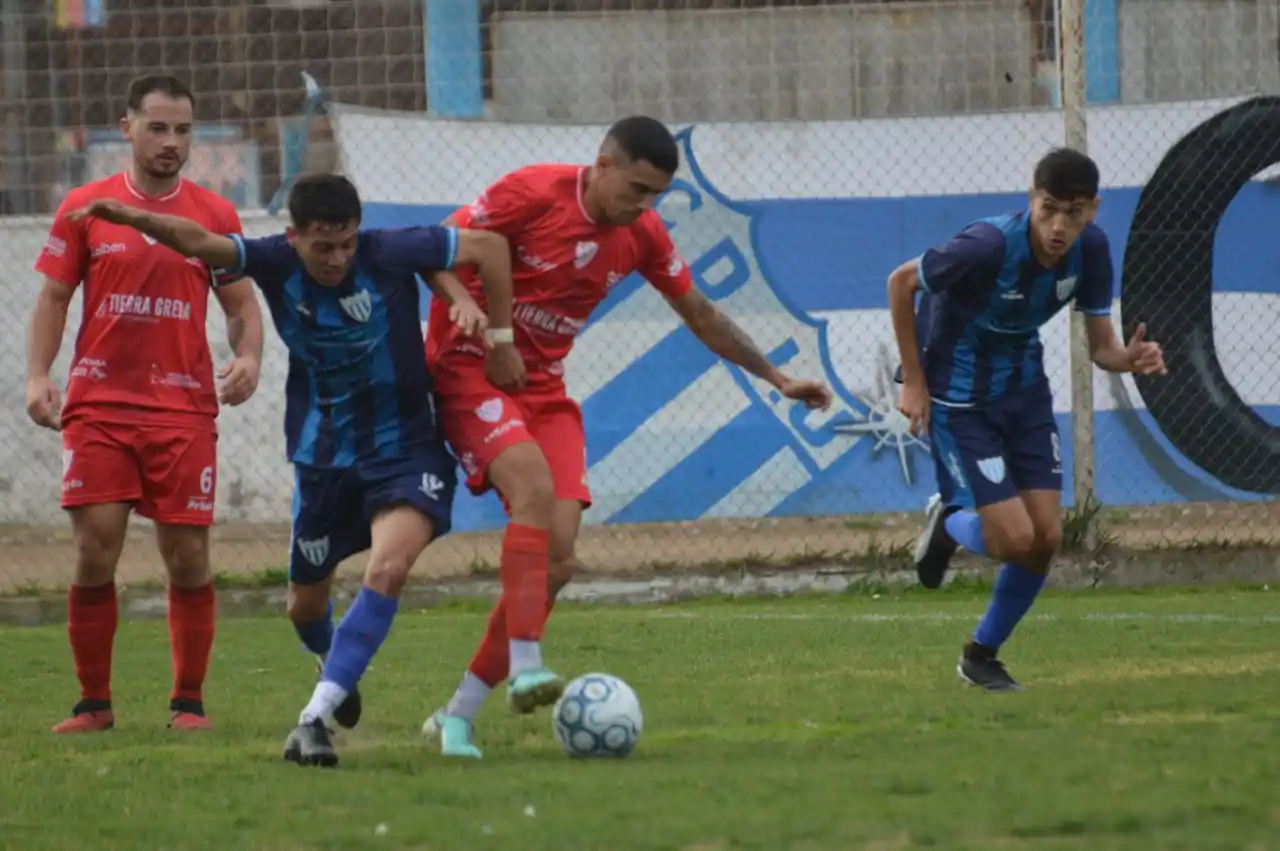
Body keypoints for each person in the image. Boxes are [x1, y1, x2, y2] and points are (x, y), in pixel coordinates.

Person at [67, 172, 515, 768]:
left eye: (347, 243)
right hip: (323, 459)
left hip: (406, 451)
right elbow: (199, 242)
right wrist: (130, 217)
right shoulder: (274, 260)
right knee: (304, 607)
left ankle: (313, 717)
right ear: (294, 236)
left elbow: (490, 247)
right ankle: (336, 669)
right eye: (323, 246)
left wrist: (495, 330)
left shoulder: (387, 249)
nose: (338, 258)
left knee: (389, 566)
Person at [420, 115, 835, 759]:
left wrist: (776, 377)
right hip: (472, 369)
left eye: (656, 196)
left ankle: (457, 715)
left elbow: (700, 314)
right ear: (604, 165)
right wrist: (474, 317)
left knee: (557, 560)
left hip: (544, 389)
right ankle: (527, 660)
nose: (643, 207)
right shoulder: (531, 192)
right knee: (530, 487)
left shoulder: (640, 234)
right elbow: (434, 249)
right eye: (637, 189)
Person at [27, 75, 265, 734]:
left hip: (182, 410)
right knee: (94, 550)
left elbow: (242, 303)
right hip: (100, 403)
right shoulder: (85, 205)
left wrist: (248, 357)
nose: (170, 142)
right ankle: (92, 703)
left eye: (183, 130)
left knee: (187, 557)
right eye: (157, 127)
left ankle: (188, 701)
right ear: (127, 127)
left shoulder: (214, 215)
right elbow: (53, 297)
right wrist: (37, 377)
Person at [890, 147, 1168, 692]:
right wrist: (915, 381)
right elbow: (901, 283)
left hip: (1025, 396)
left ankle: (981, 656)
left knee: (1045, 538)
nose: (1060, 226)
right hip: (960, 400)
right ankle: (949, 521)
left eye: (1074, 211)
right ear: (1030, 200)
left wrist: (1131, 359)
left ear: (1093, 210)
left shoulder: (1091, 249)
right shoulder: (987, 246)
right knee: (1014, 539)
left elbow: (1101, 348)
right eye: (1049, 210)